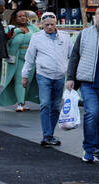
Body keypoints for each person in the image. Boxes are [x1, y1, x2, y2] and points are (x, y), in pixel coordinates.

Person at [65, 4, 99, 163]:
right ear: (95, 16)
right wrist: (70, 77)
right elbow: (74, 57)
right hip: (88, 84)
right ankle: (89, 149)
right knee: (91, 114)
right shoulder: (85, 34)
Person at [22, 12, 72, 147]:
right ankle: (47, 135)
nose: (49, 27)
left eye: (52, 24)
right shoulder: (36, 38)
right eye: (46, 25)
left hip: (60, 76)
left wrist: (72, 76)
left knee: (56, 106)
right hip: (43, 75)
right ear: (41, 25)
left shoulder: (65, 37)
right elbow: (29, 58)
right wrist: (25, 75)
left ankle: (50, 133)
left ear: (56, 24)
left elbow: (72, 56)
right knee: (45, 104)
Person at [0, 8, 39, 111]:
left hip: (31, 59)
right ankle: (20, 103)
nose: (22, 18)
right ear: (15, 18)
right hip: (17, 59)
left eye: (24, 16)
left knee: (27, 80)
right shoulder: (11, 28)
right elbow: (6, 40)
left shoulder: (33, 28)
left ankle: (23, 102)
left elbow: (40, 38)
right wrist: (16, 31)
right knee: (19, 80)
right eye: (20, 16)